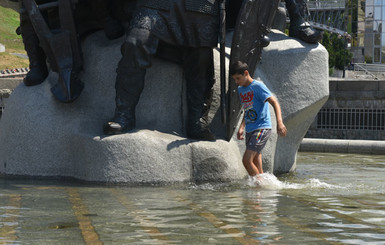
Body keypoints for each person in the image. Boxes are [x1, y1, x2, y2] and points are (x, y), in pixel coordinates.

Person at [103, 0, 218, 141]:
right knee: (135, 43)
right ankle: (124, 114)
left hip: (198, 7)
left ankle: (197, 121)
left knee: (202, 56)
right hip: (154, 4)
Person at [229, 61, 287, 177]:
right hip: (250, 129)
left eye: (238, 78)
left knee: (246, 160)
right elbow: (247, 109)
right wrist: (241, 127)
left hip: (261, 128)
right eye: (234, 79)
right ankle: (260, 191)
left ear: (246, 73)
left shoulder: (258, 86)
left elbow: (274, 102)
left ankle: (258, 183)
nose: (236, 82)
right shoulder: (241, 89)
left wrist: (280, 123)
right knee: (255, 159)